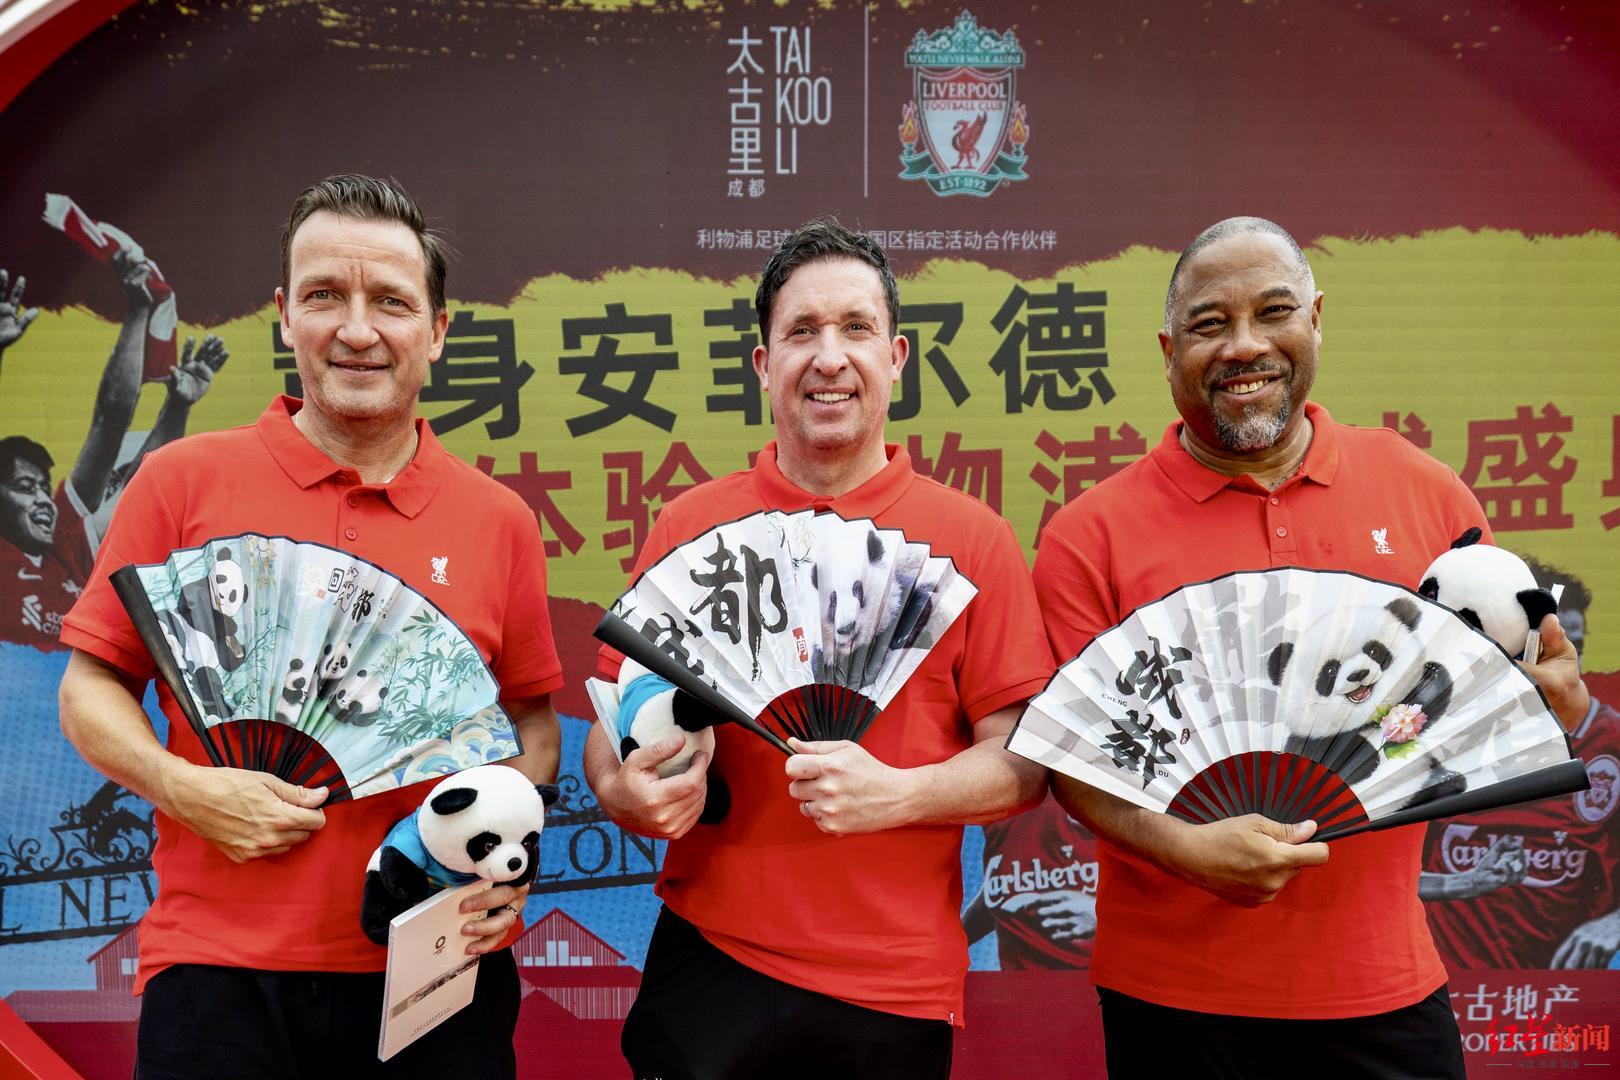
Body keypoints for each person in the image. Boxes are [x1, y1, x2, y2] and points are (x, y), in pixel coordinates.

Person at [1032, 216, 1591, 1079]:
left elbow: (1493, 692)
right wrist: (1183, 849)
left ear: (1317, 319)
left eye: (1274, 312)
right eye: (1210, 324)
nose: (1244, 346)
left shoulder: (1424, 494)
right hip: (1173, 998)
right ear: (1168, 351)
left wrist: (1551, 704)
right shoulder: (1088, 536)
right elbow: (1071, 762)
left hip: (1385, 984)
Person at [56, 174, 562, 1080]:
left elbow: (530, 723)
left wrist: (502, 857)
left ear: (438, 331)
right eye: (325, 295)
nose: (357, 330)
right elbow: (90, 686)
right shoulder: (181, 483)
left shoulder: (499, 522)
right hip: (218, 973)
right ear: (285, 317)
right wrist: (182, 787)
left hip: (439, 968)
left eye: (392, 302)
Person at [583, 219, 1052, 1079]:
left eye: (855, 329)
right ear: (764, 365)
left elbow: (1023, 765)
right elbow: (611, 721)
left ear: (896, 359)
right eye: (801, 331)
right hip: (710, 956)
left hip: (892, 987)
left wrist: (901, 794)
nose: (829, 357)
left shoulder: (973, 540)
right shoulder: (691, 526)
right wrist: (624, 790)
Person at [0, 259, 226, 648]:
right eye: (24, 487)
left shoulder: (65, 548)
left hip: (76, 688)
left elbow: (119, 435)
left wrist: (177, 405)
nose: (43, 499)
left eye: (43, 488)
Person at [1422, 560, 1620, 969]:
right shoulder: (1433, 736)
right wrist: (1464, 882)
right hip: (1448, 979)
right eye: (1544, 645)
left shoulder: (1609, 740)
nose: (1564, 659)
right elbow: (1387, 876)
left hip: (1565, 985)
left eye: (1575, 645)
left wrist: (1615, 923)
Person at [963, 792, 1099, 970]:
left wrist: (1101, 915)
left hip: (1098, 977)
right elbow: (1002, 891)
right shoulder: (995, 802)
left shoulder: (1098, 790)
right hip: (1020, 982)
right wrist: (955, 940)